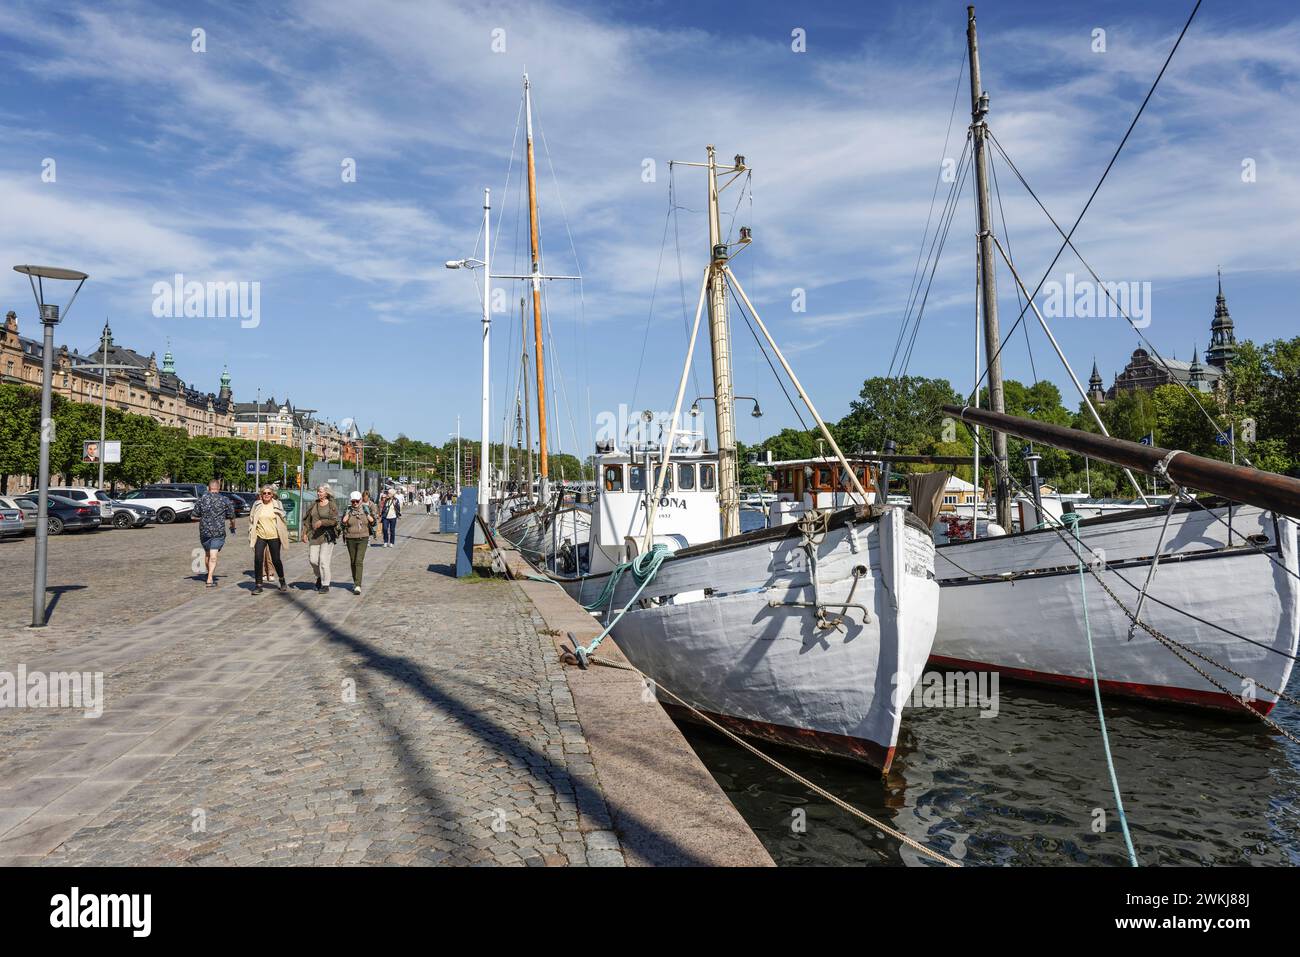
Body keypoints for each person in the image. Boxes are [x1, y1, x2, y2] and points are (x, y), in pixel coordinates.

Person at [193, 478, 236, 587]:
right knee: (212, 555)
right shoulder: (224, 500)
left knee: (208, 553)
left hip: (204, 531)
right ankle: (210, 576)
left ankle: (209, 577)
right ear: (219, 488)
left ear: (209, 487)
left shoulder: (202, 499)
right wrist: (232, 526)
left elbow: (194, 515)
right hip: (218, 532)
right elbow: (232, 516)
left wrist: (204, 519)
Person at [248, 485, 289, 594]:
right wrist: (251, 531)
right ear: (261, 494)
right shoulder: (257, 505)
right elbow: (251, 518)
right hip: (260, 535)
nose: (266, 495)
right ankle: (258, 585)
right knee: (258, 559)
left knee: (276, 560)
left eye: (269, 493)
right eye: (264, 493)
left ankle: (282, 580)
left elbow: (283, 517)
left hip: (274, 535)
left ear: (272, 495)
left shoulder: (277, 504)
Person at [302, 485, 340, 594]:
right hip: (314, 536)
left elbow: (334, 521)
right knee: (313, 560)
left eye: (321, 492)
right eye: (318, 491)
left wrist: (322, 522)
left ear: (327, 493)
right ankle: (319, 576)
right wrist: (304, 533)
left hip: (327, 536)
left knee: (323, 560)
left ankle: (325, 584)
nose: (319, 493)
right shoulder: (314, 504)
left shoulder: (331, 505)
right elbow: (308, 520)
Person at [341, 490, 375, 595]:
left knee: (358, 561)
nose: (355, 503)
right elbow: (342, 523)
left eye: (357, 501)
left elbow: (373, 522)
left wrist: (369, 516)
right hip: (350, 537)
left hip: (363, 538)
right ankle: (355, 581)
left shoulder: (366, 509)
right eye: (353, 501)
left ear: (360, 500)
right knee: (352, 561)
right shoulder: (348, 510)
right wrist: (346, 516)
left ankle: (358, 585)